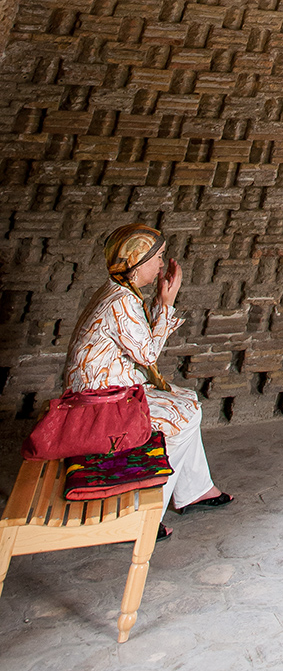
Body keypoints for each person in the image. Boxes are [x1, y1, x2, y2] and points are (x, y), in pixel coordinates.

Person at [63, 224, 231, 525]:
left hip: (110, 392)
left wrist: (160, 305)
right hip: (97, 405)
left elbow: (140, 347)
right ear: (136, 262)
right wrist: (166, 304)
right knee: (181, 418)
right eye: (157, 257)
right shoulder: (121, 301)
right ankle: (144, 516)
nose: (161, 265)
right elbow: (148, 355)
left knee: (187, 401)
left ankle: (195, 490)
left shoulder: (120, 291)